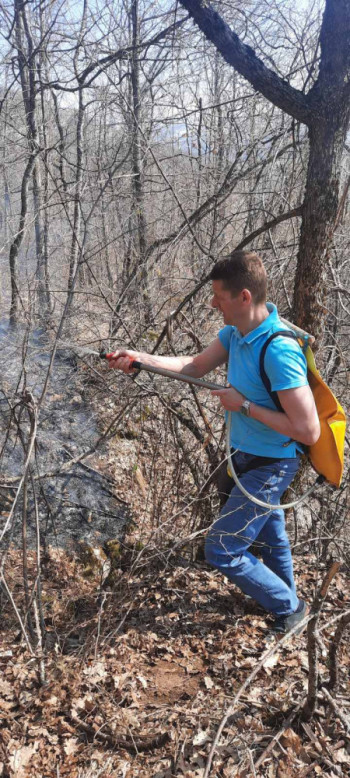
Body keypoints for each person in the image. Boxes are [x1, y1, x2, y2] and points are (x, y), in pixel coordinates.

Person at [108, 250, 320, 634]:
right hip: (245, 458)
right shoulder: (235, 335)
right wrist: (140, 358)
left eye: (219, 296)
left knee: (222, 548)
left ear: (243, 297)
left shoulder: (279, 351)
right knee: (271, 537)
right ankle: (286, 600)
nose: (212, 303)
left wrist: (246, 407)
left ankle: (290, 607)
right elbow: (193, 366)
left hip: (272, 464)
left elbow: (308, 431)